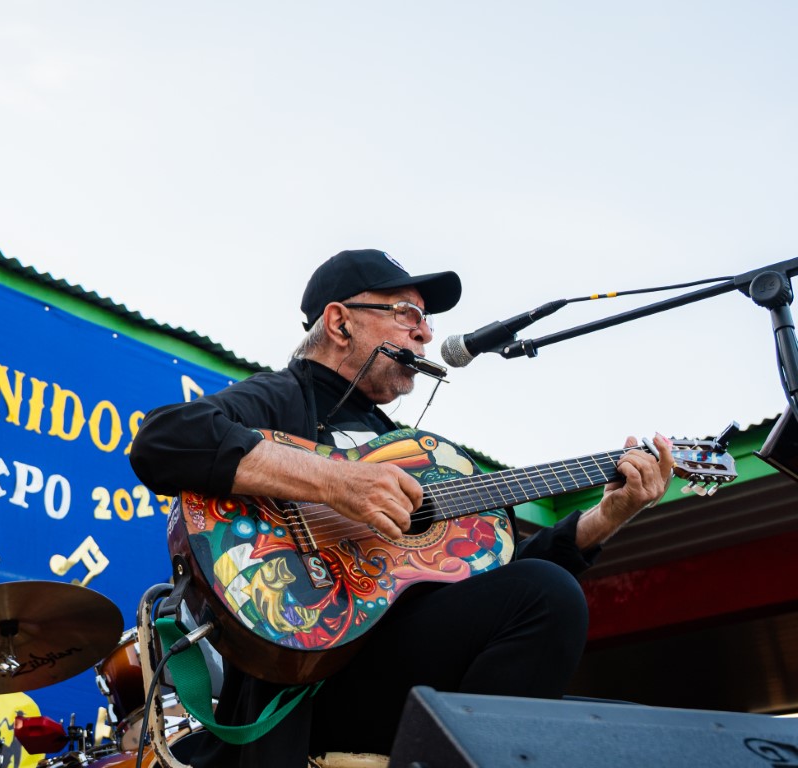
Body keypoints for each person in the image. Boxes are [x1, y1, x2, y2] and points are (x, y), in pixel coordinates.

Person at [129, 249, 673, 766]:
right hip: (310, 688)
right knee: (547, 595)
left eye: (426, 319)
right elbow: (165, 439)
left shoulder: (407, 450)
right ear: (340, 323)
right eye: (407, 313)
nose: (426, 333)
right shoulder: (282, 398)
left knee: (623, 727)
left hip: (404, 673)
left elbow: (502, 586)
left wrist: (607, 516)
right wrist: (337, 482)